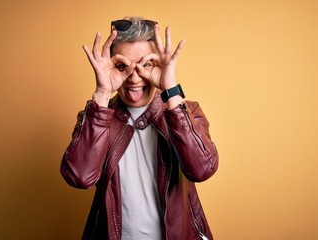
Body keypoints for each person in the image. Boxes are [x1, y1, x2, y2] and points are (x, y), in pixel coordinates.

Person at [60, 16, 219, 240]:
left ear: (158, 65)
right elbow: (79, 177)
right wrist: (103, 93)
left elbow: (201, 170)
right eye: (122, 66)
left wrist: (170, 89)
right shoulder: (96, 117)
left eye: (146, 64)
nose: (134, 77)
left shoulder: (186, 112)